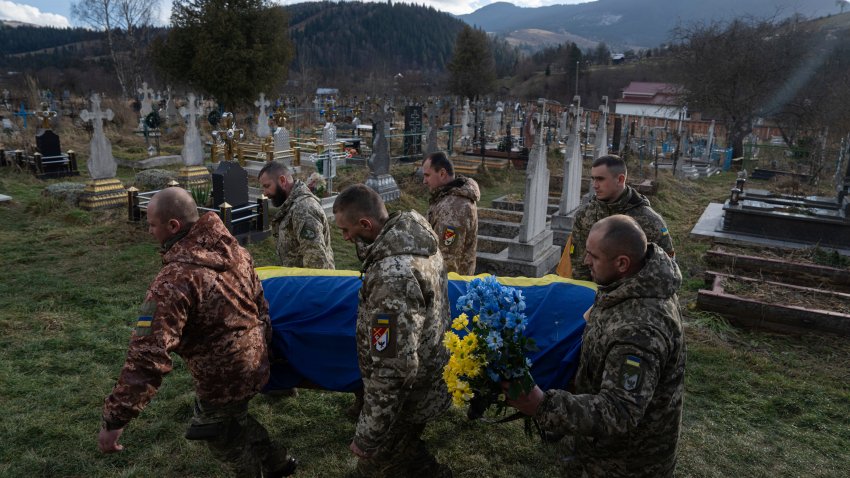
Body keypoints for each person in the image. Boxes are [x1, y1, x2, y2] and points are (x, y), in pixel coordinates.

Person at [98, 187, 296, 477]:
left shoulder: (174, 280)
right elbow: (260, 302)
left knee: (218, 433)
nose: (149, 231)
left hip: (222, 374)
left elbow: (147, 354)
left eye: (152, 225)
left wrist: (115, 419)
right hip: (255, 358)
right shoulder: (235, 250)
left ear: (173, 226)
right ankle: (277, 461)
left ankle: (267, 466)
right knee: (229, 419)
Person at [506, 215, 685, 477]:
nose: (584, 261)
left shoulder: (640, 331)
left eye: (593, 256)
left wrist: (542, 404)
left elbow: (620, 411)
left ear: (622, 262)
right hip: (598, 448)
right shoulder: (630, 282)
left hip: (626, 463)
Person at [332, 184, 452, 478]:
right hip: (428, 375)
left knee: (373, 469)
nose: (345, 238)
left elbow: (394, 368)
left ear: (365, 224)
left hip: (406, 395)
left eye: (346, 231)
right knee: (404, 454)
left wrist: (368, 434)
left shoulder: (393, 276)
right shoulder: (413, 233)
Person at [563, 154, 674, 281]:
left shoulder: (650, 221)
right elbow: (579, 261)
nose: (595, 185)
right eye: (593, 179)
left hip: (631, 296)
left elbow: (667, 269)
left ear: (620, 179)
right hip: (591, 294)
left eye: (600, 179)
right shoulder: (584, 215)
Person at [259, 161, 335, 270]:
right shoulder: (293, 205)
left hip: (308, 284)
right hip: (297, 281)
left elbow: (316, 262)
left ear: (282, 180)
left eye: (267, 186)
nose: (265, 193)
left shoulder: (304, 209)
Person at [422, 151, 480, 275]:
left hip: (451, 287)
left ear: (442, 173)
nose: (424, 181)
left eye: (427, 175)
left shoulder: (455, 208)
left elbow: (447, 261)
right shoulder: (446, 198)